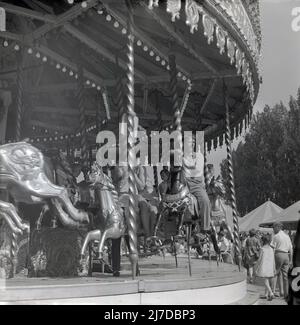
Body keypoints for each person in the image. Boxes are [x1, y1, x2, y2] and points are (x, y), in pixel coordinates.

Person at [182, 135, 211, 231]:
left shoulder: (198, 156)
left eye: (193, 142)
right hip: (183, 186)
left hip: (195, 186)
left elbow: (196, 171)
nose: (192, 144)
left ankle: (205, 228)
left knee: (205, 201)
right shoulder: (181, 157)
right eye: (190, 142)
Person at [271, 222, 293, 299]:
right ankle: (284, 293)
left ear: (278, 227)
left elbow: (272, 248)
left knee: (275, 274)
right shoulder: (287, 236)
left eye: (273, 227)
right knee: (285, 276)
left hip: (278, 254)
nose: (273, 229)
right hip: (286, 255)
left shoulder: (276, 236)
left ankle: (272, 292)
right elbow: (291, 248)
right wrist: (291, 260)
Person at [255, 234, 276, 300]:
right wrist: (274, 267)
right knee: (267, 279)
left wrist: (256, 267)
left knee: (265, 280)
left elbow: (259, 259)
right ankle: (266, 295)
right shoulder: (271, 249)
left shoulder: (262, 249)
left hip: (264, 266)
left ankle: (271, 293)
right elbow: (273, 260)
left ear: (263, 241)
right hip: (270, 266)